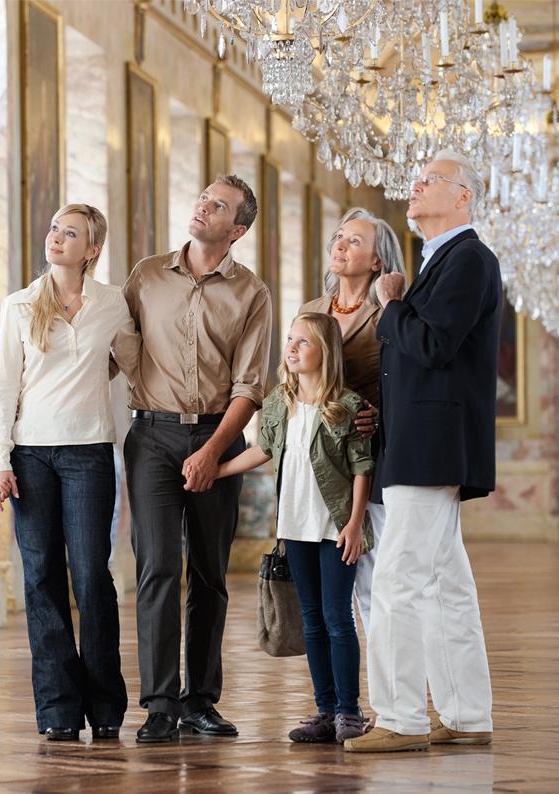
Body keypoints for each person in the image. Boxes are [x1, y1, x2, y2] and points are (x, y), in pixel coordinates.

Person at [345, 150, 499, 753]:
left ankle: (400, 717)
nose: (414, 186)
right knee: (444, 584)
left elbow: (432, 346)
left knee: (398, 581)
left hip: (430, 446)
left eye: (429, 180)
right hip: (423, 442)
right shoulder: (443, 260)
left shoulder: (467, 258)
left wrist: (390, 305)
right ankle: (465, 714)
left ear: (463, 195)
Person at [123, 175, 272, 743]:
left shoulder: (251, 293)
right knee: (157, 565)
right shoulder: (146, 275)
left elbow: (250, 386)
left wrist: (212, 451)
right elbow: (117, 347)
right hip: (152, 438)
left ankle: (200, 701)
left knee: (209, 573)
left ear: (235, 230)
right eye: (202, 197)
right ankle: (160, 703)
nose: (201, 206)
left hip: (218, 435)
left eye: (217, 205)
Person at [0, 204, 139, 742]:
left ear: (91, 249)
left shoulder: (112, 303)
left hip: (89, 453)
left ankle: (105, 706)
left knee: (93, 577)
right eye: (53, 227)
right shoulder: (20, 305)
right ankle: (56, 708)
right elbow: (5, 387)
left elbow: (131, 360)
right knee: (40, 577)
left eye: (69, 233)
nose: (55, 237)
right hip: (30, 454)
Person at [217, 312, 374, 744]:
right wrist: (217, 469)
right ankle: (324, 710)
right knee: (310, 620)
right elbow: (262, 451)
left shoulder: (348, 406)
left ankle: (349, 711)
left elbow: (362, 468)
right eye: (290, 340)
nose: (292, 347)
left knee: (337, 618)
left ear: (325, 352)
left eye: (303, 342)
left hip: (335, 528)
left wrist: (355, 524)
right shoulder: (277, 403)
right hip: (294, 527)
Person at [300, 207, 406, 632]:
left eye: (355, 241)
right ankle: (342, 690)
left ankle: (391, 682)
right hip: (318, 459)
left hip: (370, 456)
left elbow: (409, 379)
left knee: (376, 575)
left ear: (378, 260)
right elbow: (293, 379)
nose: (340, 245)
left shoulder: (391, 313)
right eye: (339, 237)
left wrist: (383, 413)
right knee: (331, 586)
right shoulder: (312, 309)